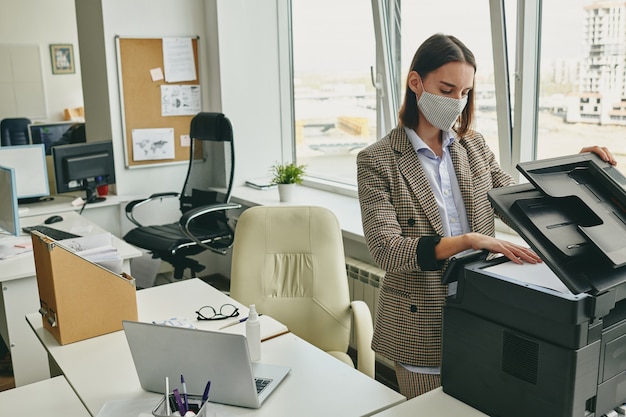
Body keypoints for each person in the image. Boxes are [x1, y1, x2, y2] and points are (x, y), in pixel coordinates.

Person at [356, 33, 616, 400]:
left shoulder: (473, 145)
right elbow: (387, 250)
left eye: (464, 93)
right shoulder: (377, 159)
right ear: (416, 82)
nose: (457, 102)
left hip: (481, 311)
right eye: (446, 90)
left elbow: (521, 205)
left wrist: (578, 170)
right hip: (418, 324)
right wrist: (470, 240)